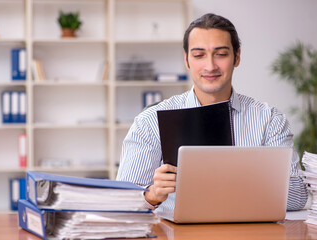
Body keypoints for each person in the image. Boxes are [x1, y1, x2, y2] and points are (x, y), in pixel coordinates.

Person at [116, 13, 308, 212]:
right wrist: (153, 194)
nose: (210, 66)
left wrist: (238, 175)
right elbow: (122, 201)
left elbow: (298, 197)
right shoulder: (150, 121)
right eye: (199, 55)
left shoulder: (270, 120)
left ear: (237, 57)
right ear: (187, 60)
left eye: (221, 54)